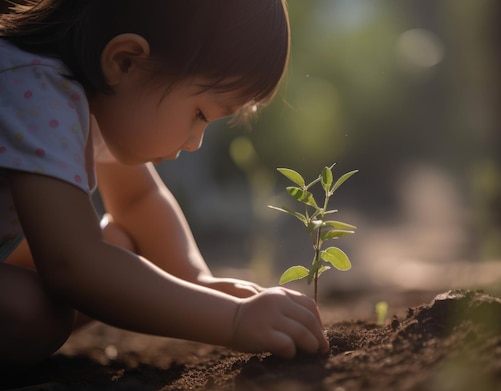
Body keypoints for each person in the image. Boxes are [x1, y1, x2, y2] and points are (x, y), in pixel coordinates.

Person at [0, 0, 329, 369]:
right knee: (32, 312)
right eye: (200, 114)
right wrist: (233, 319)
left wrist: (199, 283)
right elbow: (70, 263)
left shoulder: (86, 90)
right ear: (126, 61)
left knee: (120, 246)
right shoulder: (35, 87)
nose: (194, 142)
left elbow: (139, 199)